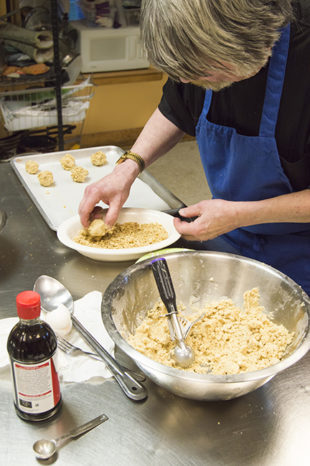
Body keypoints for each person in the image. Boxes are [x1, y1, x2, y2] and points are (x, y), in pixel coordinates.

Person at [79, 0, 310, 295]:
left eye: (202, 72)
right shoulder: (201, 45)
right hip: (231, 231)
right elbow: (176, 107)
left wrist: (242, 214)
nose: (188, 81)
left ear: (244, 39)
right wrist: (128, 167)